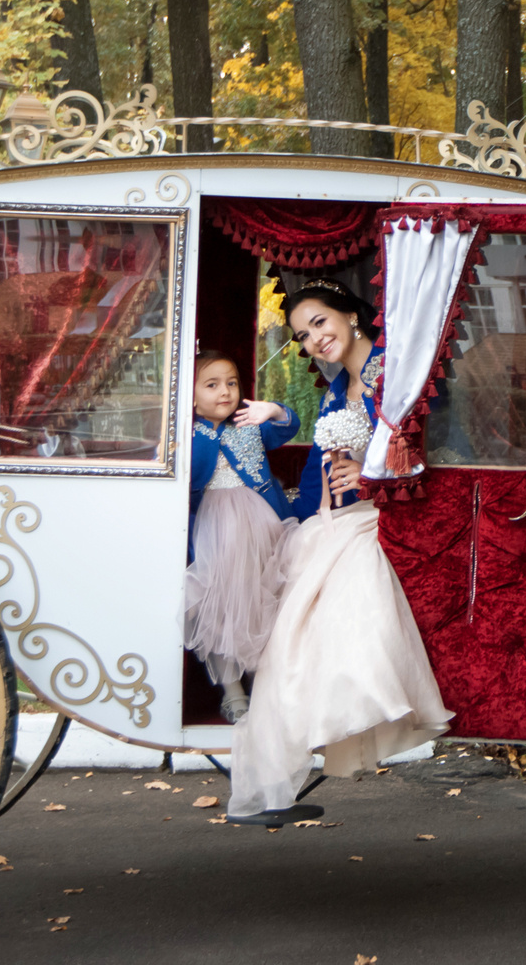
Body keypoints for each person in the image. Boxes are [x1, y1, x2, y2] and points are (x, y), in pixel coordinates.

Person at [226, 283, 452, 823]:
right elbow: (319, 469)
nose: (314, 340)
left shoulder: (392, 374)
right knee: (285, 641)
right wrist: (298, 520)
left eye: (321, 324)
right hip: (333, 520)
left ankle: (280, 779)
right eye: (303, 335)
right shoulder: (338, 388)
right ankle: (272, 789)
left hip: (374, 521)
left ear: (352, 315)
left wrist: (372, 478)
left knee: (302, 636)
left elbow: (432, 445)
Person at [183, 353, 296, 723]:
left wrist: (273, 410)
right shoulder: (186, 432)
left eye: (231, 383)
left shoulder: (249, 423)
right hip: (214, 530)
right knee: (220, 609)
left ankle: (265, 686)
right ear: (191, 393)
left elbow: (286, 427)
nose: (225, 392)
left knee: (263, 603)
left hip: (260, 525)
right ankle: (233, 693)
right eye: (212, 384)